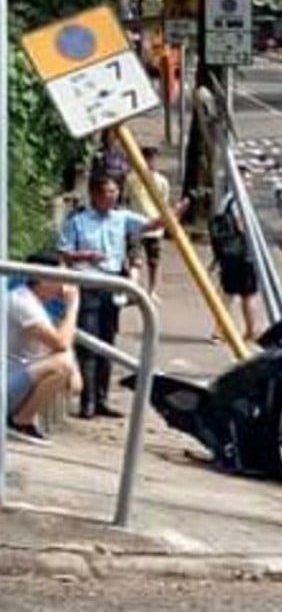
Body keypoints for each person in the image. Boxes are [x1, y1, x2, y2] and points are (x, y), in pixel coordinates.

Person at [58, 173, 189, 419]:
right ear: (95, 194)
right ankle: (87, 401)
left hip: (112, 284)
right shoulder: (78, 220)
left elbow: (152, 225)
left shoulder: (122, 217)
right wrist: (84, 256)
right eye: (108, 192)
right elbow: (64, 251)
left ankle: (102, 399)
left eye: (115, 191)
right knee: (89, 343)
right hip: (87, 284)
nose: (113, 196)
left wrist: (175, 212)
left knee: (107, 342)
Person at [6, 252, 83, 445]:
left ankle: (23, 420)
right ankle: (20, 422)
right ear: (42, 278)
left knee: (65, 365)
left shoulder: (37, 303)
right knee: (62, 365)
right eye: (62, 277)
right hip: (7, 382)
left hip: (15, 379)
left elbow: (60, 347)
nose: (67, 284)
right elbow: (61, 344)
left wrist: (74, 371)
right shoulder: (22, 301)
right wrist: (73, 306)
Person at [208, 196, 259, 341]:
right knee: (248, 295)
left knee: (227, 294)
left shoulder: (225, 201)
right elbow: (242, 226)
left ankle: (218, 330)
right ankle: (250, 330)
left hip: (228, 255)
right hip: (243, 255)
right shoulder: (240, 200)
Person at [124, 147, 171, 301]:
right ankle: (133, 290)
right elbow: (126, 199)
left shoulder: (162, 181)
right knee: (135, 260)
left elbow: (164, 202)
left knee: (154, 262)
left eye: (153, 159)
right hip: (135, 226)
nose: (151, 162)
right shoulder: (131, 179)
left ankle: (152, 291)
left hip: (155, 227)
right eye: (148, 159)